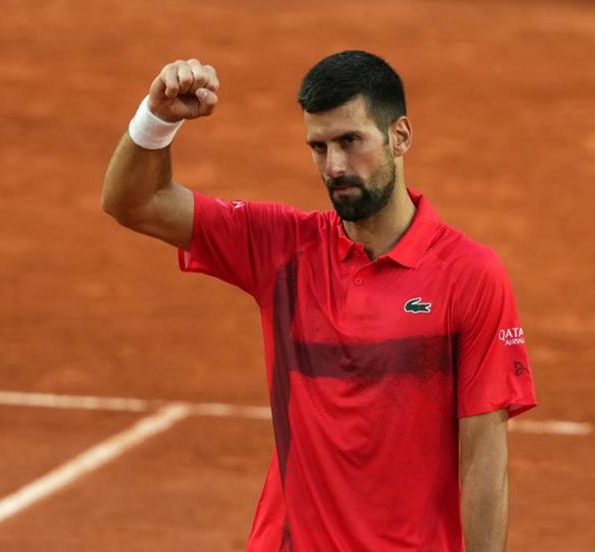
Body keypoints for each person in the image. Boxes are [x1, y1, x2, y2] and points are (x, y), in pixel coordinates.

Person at [101, 50, 537, 552]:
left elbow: (484, 458)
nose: (335, 166)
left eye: (350, 141)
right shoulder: (281, 248)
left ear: (399, 136)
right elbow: (135, 202)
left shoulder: (469, 274)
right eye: (319, 147)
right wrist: (156, 119)